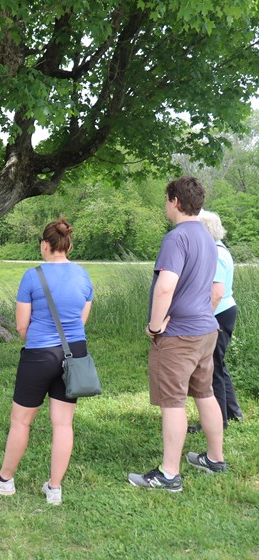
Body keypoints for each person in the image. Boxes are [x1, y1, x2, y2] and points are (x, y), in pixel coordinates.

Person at [0, 218, 93, 505]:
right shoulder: (83, 275)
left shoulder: (32, 276)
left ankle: (4, 479)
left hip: (39, 354)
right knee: (63, 424)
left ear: (45, 245)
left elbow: (21, 326)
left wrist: (39, 339)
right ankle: (54, 488)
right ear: (69, 246)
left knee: (21, 421)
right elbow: (81, 320)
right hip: (74, 354)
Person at [129, 177, 226, 493]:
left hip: (179, 335)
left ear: (174, 200)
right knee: (205, 393)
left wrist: (155, 326)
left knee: (173, 403)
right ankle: (214, 458)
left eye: (166, 198)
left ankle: (169, 475)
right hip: (205, 331)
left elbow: (166, 286)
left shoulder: (176, 238)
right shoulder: (208, 239)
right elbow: (212, 288)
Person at [187, 210, 243, 432]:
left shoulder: (216, 254)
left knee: (212, 369)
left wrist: (203, 318)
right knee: (219, 364)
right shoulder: (220, 249)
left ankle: (218, 421)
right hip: (223, 311)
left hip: (218, 313)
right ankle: (233, 411)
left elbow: (216, 293)